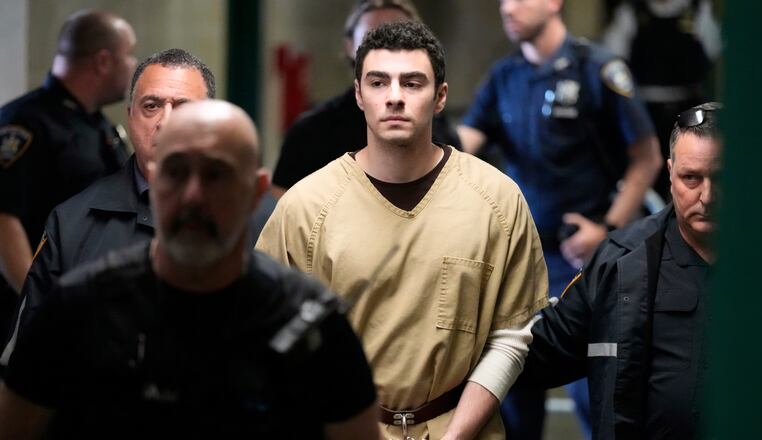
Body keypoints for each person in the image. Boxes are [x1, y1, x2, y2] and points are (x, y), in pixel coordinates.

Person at [0, 99, 380, 439]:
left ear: (256, 191)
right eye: (176, 172)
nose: (193, 196)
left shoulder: (311, 329)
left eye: (216, 174)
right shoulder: (78, 310)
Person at [258, 21, 548, 439]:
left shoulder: (496, 201)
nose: (395, 97)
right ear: (359, 94)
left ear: (440, 97)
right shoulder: (306, 207)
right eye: (379, 82)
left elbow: (511, 336)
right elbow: (274, 338)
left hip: (460, 426)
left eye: (412, 83)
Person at [457, 0, 663, 437]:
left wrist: (607, 232)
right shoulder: (503, 76)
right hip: (520, 261)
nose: (507, 8)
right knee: (511, 394)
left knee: (597, 397)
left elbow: (646, 158)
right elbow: (459, 150)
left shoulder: (598, 69)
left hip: (583, 262)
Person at [0, 48, 215, 366]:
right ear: (131, 114)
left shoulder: (256, 218)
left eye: (183, 107)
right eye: (151, 106)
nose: (165, 122)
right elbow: (24, 364)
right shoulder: (71, 223)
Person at [522, 102, 723, 440]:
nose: (708, 195)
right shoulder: (622, 259)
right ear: (671, 174)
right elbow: (539, 352)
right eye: (691, 178)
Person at [0, 9, 136, 333]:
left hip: (88, 308)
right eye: (129, 54)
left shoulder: (99, 126)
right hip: (37, 320)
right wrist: (39, 306)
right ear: (103, 61)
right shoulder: (26, 122)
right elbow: (4, 221)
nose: (134, 65)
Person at [270, 0, 458, 199]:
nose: (389, 48)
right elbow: (285, 207)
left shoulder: (439, 128)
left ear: (439, 98)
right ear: (350, 46)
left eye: (402, 38)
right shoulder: (311, 131)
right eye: (373, 38)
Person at [602, 0, 722, 197]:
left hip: (689, 107)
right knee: (648, 175)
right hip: (645, 109)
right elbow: (613, 58)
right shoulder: (632, 12)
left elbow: (714, 49)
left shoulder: (697, 9)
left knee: (691, 171)